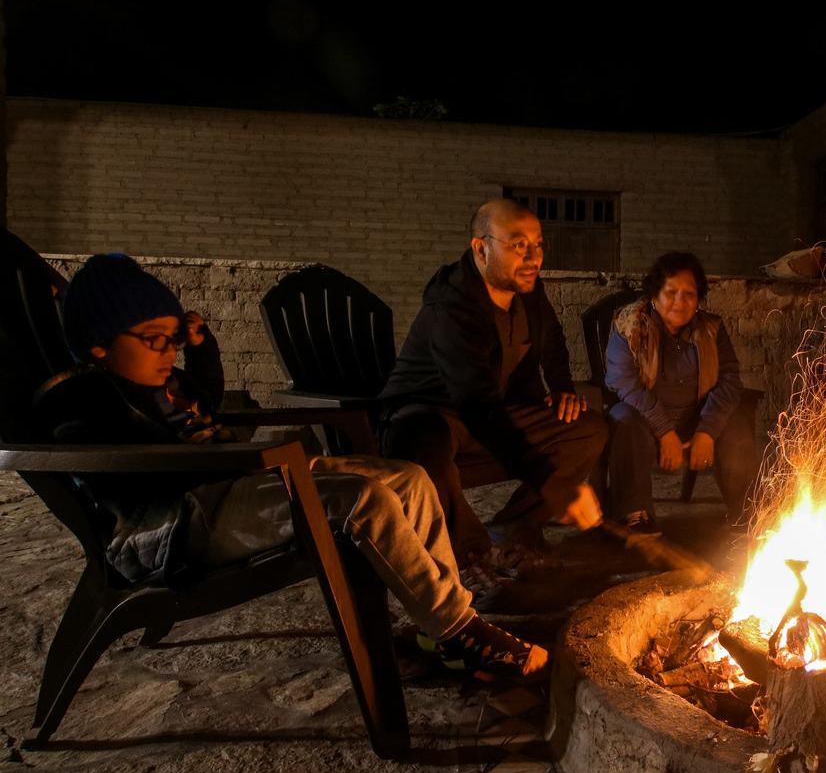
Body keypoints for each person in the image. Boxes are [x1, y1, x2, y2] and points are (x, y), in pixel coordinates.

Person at [36, 253, 546, 680]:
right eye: (154, 339)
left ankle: (442, 626)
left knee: (406, 477)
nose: (168, 351)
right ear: (99, 345)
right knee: (362, 501)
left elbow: (209, 400)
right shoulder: (86, 396)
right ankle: (458, 631)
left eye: (172, 339)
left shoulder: (164, 385)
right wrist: (216, 457)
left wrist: (202, 349)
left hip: (230, 483)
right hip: (177, 521)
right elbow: (107, 467)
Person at [379, 199, 606, 583]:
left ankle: (515, 530)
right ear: (481, 248)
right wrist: (550, 482)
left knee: (588, 427)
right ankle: (471, 556)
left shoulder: (528, 290)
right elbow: (476, 403)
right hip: (433, 421)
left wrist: (562, 388)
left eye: (539, 245)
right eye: (519, 245)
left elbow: (551, 340)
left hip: (488, 421)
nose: (533, 257)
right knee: (423, 438)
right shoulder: (452, 308)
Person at [604, 251, 760, 533]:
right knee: (624, 419)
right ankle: (636, 515)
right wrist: (664, 431)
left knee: (736, 424)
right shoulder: (629, 326)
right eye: (671, 292)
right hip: (646, 422)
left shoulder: (711, 329)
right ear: (655, 294)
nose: (680, 302)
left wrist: (707, 431)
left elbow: (729, 380)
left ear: (699, 298)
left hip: (696, 420)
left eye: (689, 294)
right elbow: (623, 381)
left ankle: (746, 512)